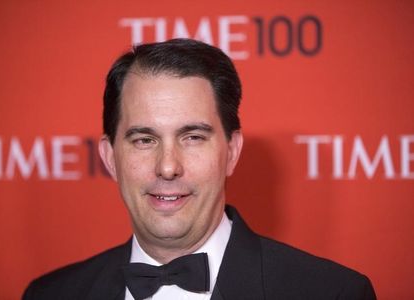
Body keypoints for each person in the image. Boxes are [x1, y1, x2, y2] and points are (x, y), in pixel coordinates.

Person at [23, 38, 376, 300]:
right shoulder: (50, 295)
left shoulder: (332, 293)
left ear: (232, 152)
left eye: (192, 137)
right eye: (144, 140)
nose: (168, 167)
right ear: (110, 157)